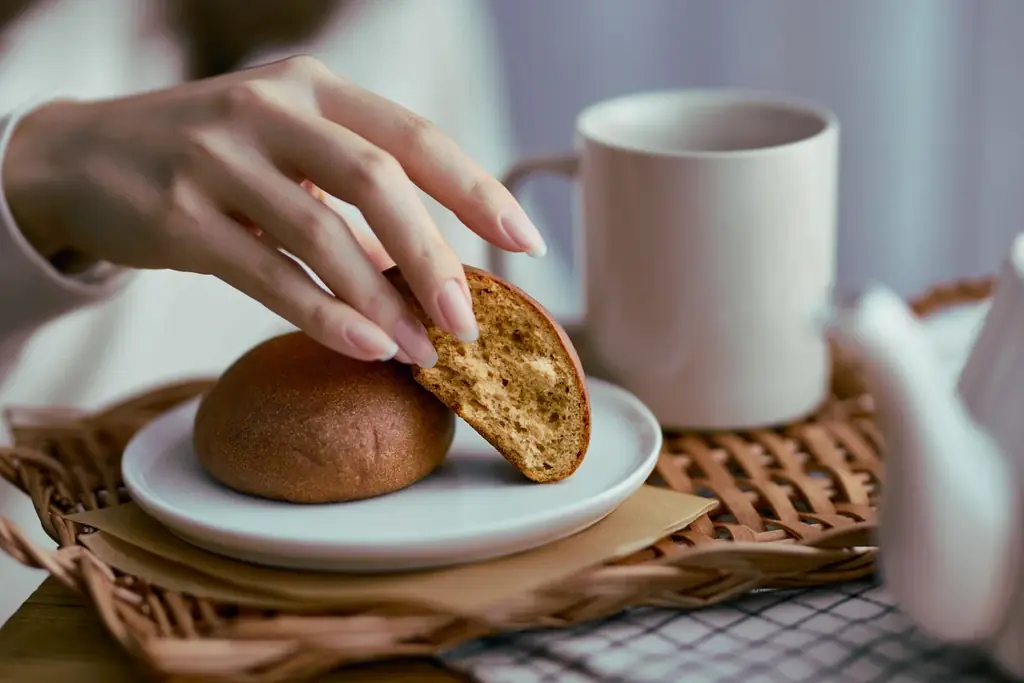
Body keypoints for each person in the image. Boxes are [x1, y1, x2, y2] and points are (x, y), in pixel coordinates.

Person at [0, 0, 570, 625]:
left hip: (412, 597)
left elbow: (498, 280)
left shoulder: (402, 15)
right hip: (49, 586)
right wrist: (32, 180)